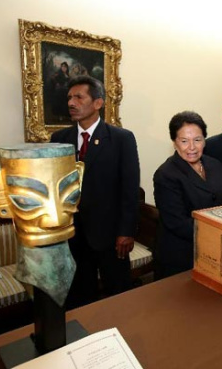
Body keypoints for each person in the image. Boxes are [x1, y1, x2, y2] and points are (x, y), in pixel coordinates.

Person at [51, 76, 140, 309]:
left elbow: (130, 189)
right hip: (72, 236)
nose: (71, 102)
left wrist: (126, 231)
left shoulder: (121, 139)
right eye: (69, 97)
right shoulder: (59, 139)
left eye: (79, 97)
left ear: (98, 103)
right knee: (79, 297)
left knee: (118, 295)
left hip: (110, 236)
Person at [153, 111, 222, 279]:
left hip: (213, 251)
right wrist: (221, 231)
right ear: (174, 143)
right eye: (184, 141)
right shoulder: (166, 174)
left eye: (198, 140)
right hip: (180, 256)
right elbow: (177, 223)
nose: (192, 147)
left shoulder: (215, 165)